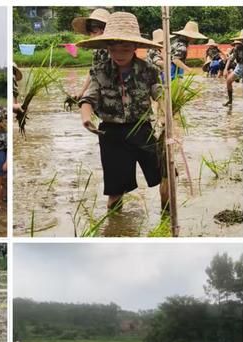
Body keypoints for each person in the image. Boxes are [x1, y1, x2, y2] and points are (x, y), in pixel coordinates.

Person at [77, 12, 169, 212]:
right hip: (111, 134)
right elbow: (89, 98)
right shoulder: (100, 71)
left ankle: (168, 215)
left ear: (135, 47)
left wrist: (166, 117)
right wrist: (86, 118)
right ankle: (115, 225)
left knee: (166, 175)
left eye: (125, 48)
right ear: (107, 48)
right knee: (115, 189)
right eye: (114, 49)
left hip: (142, 130)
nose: (119, 54)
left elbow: (159, 94)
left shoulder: (149, 70)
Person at [72, 8, 111, 99]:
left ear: (104, 30)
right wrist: (82, 92)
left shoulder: (116, 48)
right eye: (90, 31)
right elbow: (93, 72)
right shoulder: (97, 50)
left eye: (94, 31)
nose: (91, 35)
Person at [223, 32, 243, 107]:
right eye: (242, 40)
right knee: (228, 81)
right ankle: (230, 101)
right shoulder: (237, 48)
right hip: (240, 66)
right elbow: (230, 59)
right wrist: (225, 69)